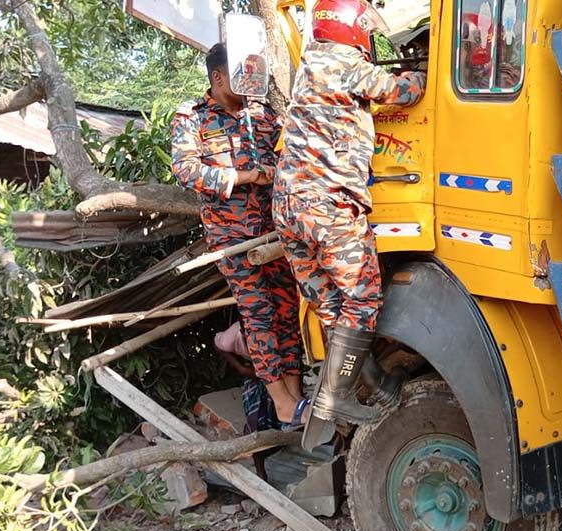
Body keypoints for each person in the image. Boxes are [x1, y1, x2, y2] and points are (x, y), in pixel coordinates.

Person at [273, 0, 426, 448]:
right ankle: (335, 397)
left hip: (288, 209)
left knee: (328, 302)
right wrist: (423, 73)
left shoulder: (310, 65)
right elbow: (401, 91)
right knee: (363, 298)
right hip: (328, 208)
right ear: (354, 28)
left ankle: (374, 384)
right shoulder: (345, 64)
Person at [171, 43, 309, 431]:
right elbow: (186, 170)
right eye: (239, 75)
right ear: (217, 78)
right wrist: (246, 177)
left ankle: (296, 400)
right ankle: (282, 404)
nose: (249, 83)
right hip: (233, 239)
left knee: (287, 311)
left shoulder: (262, 115)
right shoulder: (192, 118)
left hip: (275, 233)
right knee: (258, 315)